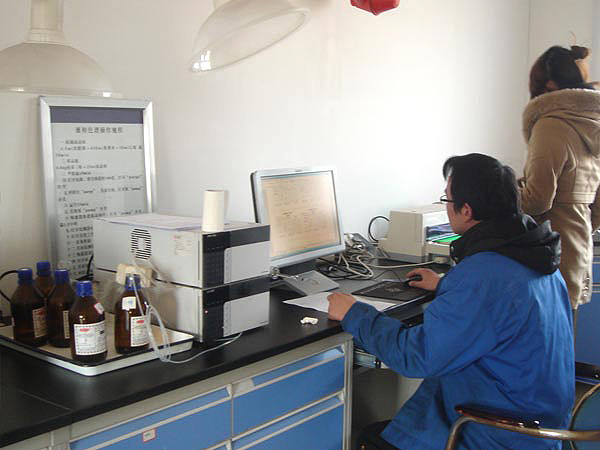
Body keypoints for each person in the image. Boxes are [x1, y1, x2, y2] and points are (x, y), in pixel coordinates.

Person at [328, 153, 574, 450]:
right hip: (541, 420)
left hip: (496, 431)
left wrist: (354, 313)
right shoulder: (535, 256)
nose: (446, 206)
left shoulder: (482, 277)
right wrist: (447, 285)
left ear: (466, 210)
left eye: (446, 199)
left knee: (369, 437)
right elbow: (502, 305)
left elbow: (416, 356)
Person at [520, 45, 600, 320]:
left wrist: (503, 193)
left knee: (542, 337)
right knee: (564, 338)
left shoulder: (551, 125)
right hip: (578, 248)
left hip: (547, 254)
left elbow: (537, 200)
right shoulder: (593, 124)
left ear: (550, 85)